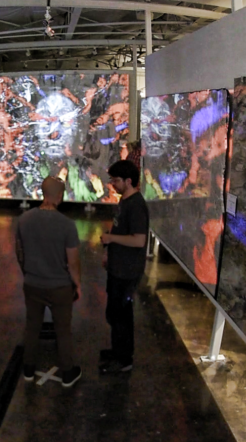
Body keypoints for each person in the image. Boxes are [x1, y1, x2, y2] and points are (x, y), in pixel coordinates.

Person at [16, 177, 83, 387]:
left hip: (32, 283)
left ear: (42, 192)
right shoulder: (67, 225)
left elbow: (20, 252)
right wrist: (77, 284)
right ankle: (67, 373)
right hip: (60, 287)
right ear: (60, 196)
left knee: (32, 326)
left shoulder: (24, 219)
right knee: (63, 330)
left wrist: (28, 273)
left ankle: (28, 369)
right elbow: (73, 262)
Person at [99, 160, 150, 374]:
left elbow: (139, 240)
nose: (113, 184)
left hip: (127, 271)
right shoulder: (125, 201)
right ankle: (117, 350)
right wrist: (108, 251)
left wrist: (111, 239)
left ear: (128, 181)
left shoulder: (136, 206)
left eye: (116, 180)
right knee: (114, 312)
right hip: (118, 267)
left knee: (121, 315)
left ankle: (123, 358)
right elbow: (119, 229)